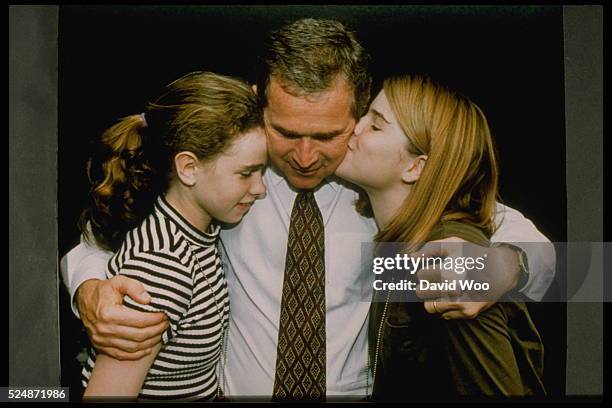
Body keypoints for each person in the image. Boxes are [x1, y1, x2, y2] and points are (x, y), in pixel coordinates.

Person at [61, 19, 555, 401]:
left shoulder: (388, 198)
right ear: (258, 105)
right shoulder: (226, 182)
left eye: (326, 136)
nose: (304, 156)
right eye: (286, 133)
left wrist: (506, 268)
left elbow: (559, 260)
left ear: (359, 116)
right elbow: (100, 237)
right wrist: (89, 287)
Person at [335, 74, 546, 398]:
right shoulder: (403, 242)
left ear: (415, 168)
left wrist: (510, 262)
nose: (354, 127)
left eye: (375, 125)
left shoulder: (450, 261)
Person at [77, 71, 267, 400]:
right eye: (246, 173)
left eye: (262, 172)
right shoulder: (165, 262)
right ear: (188, 168)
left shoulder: (200, 231)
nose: (260, 188)